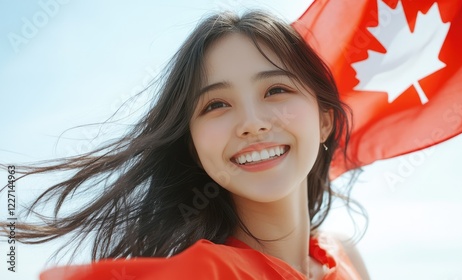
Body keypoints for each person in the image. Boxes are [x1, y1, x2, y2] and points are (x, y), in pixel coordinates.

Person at [2, 10, 368, 279]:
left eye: (276, 90)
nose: (252, 123)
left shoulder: (345, 257)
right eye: (216, 105)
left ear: (325, 121)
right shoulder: (206, 273)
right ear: (192, 145)